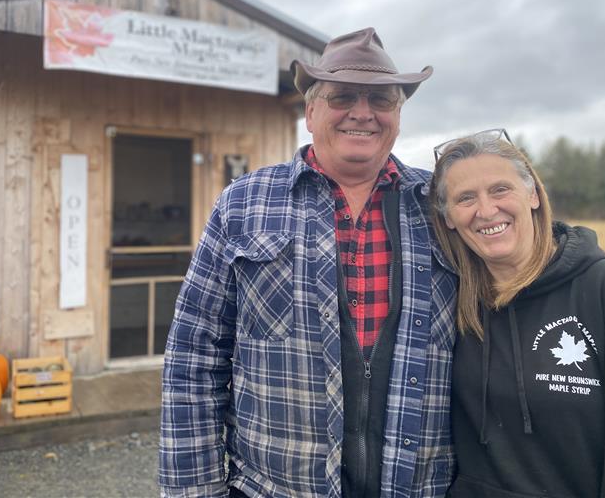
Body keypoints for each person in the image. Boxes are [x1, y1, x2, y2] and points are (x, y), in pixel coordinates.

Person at [158, 28, 457, 498]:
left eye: (381, 99)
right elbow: (193, 359)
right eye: (342, 97)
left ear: (398, 115)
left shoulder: (443, 207)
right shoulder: (244, 204)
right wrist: (194, 490)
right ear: (310, 111)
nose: (363, 113)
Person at [429, 128, 605, 498]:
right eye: (465, 198)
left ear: (533, 194)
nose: (486, 211)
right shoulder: (455, 304)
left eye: (500, 189)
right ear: (449, 219)